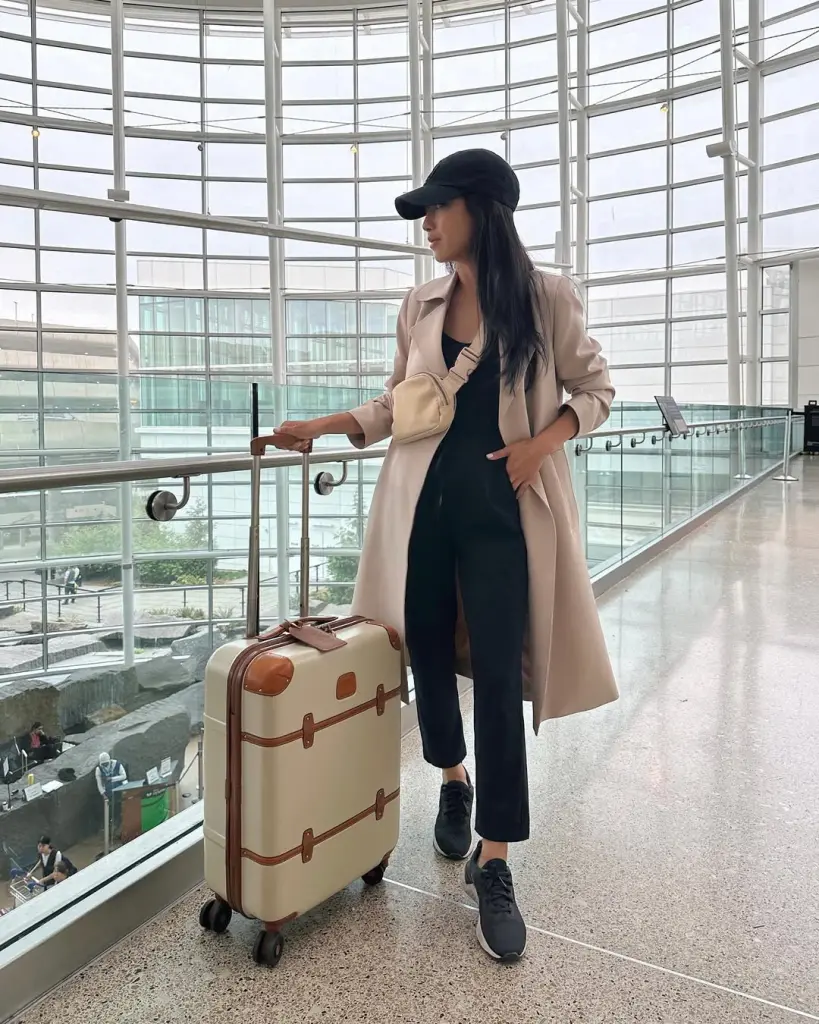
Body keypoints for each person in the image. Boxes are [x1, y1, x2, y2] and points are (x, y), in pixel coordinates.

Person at [263, 149, 618, 962]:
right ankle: (451, 781)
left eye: (436, 206)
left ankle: (494, 859)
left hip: (502, 518)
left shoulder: (545, 298)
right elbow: (400, 403)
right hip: (419, 513)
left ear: (480, 210)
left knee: (496, 674)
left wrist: (541, 443)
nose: (425, 222)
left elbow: (596, 390)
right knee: (422, 656)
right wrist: (316, 428)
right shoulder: (419, 301)